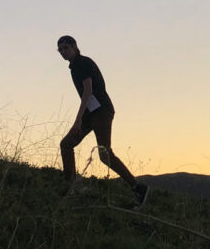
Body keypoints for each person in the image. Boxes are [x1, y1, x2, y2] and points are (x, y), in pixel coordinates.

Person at [57, 35, 148, 208]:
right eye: (60, 50)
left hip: (101, 112)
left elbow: (88, 90)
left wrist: (77, 120)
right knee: (66, 144)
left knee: (105, 154)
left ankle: (138, 188)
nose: (63, 52)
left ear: (75, 46)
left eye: (65, 48)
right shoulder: (74, 66)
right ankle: (69, 186)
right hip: (91, 113)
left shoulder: (82, 63)